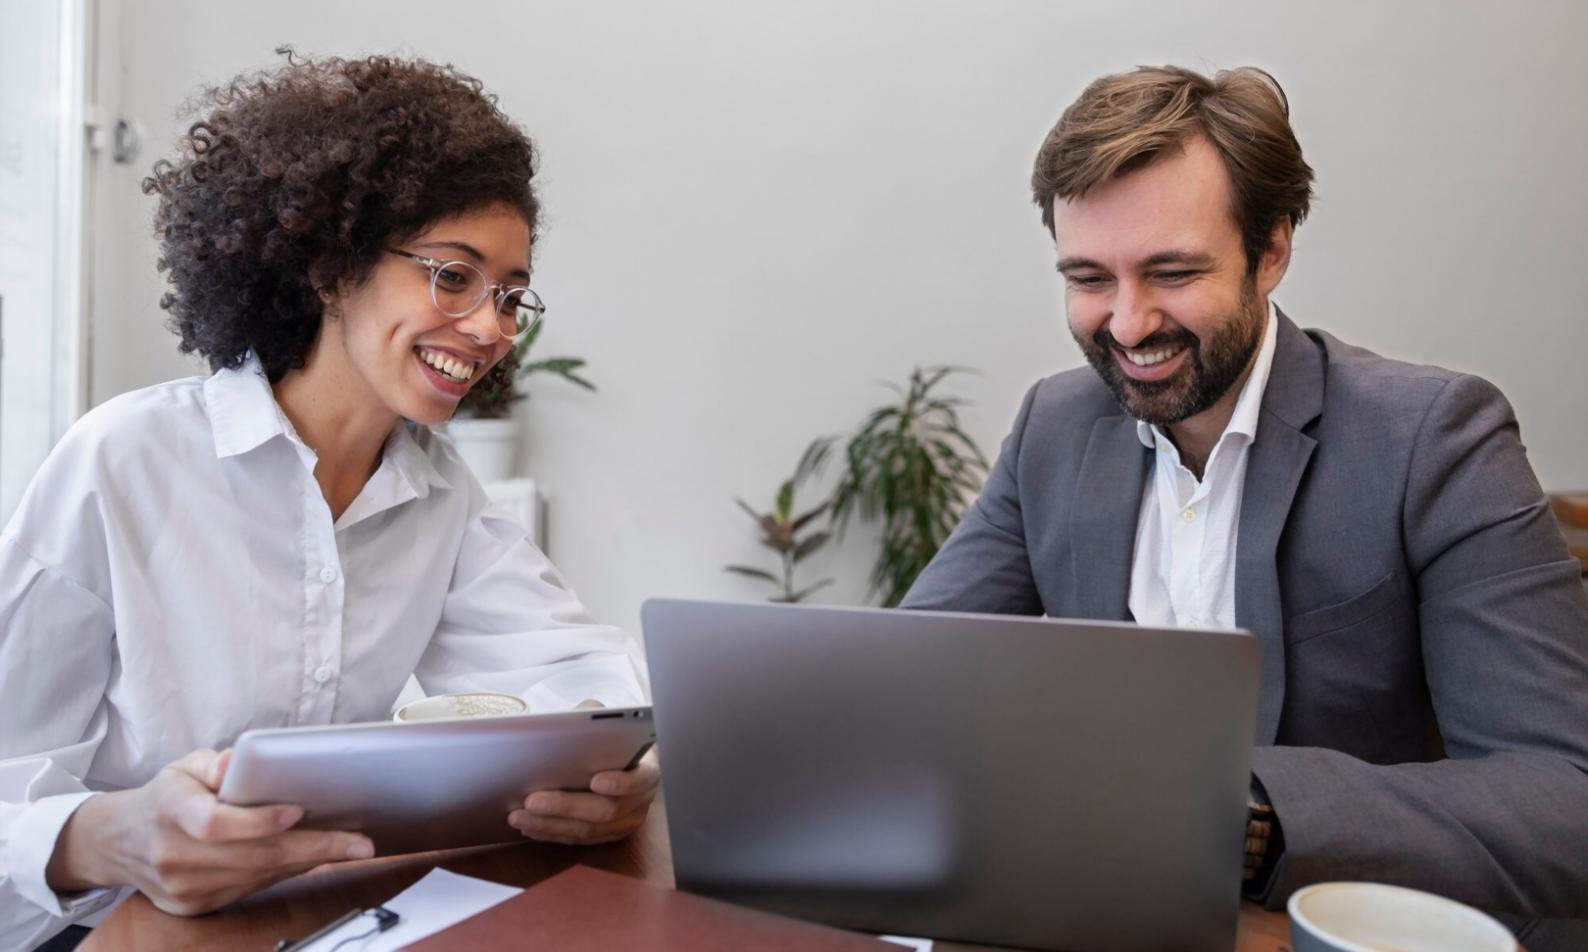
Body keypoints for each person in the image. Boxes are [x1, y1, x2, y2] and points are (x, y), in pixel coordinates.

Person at [903, 65, 1588, 940]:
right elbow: (912, 682)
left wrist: (1251, 813)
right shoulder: (1055, 427)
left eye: (1172, 271)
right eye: (1088, 278)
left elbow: (1563, 797)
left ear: (1271, 250)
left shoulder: (1433, 439)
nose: (1126, 323)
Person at [0, 51, 658, 951]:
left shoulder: (436, 493)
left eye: (509, 295)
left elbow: (584, 681)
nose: (491, 327)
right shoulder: (124, 462)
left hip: (312, 921)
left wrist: (621, 776)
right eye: (454, 275)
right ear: (329, 265)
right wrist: (110, 838)